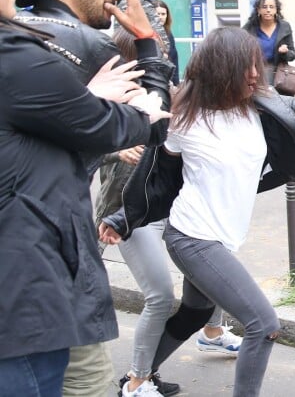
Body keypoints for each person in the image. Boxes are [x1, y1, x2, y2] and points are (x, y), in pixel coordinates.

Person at [100, 27, 295, 396]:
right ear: (221, 70)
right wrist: (122, 218)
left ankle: (136, 382)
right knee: (263, 325)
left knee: (196, 313)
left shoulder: (260, 104)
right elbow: (157, 178)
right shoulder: (183, 118)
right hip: (193, 238)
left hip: (221, 236)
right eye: (246, 67)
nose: (255, 74)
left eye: (255, 66)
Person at [0, 0, 171, 397]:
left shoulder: (29, 35)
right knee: (85, 383)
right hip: (41, 270)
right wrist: (145, 34)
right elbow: (155, 112)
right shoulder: (75, 42)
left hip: (38, 260)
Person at [95, 27, 241, 397]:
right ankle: (137, 381)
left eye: (163, 49)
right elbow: (73, 142)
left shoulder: (170, 92)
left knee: (213, 268)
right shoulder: (109, 92)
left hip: (169, 207)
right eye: (154, 51)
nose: (163, 57)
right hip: (127, 213)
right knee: (159, 296)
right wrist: (115, 150)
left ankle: (211, 332)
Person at [242, 0, 295, 88]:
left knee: (278, 101)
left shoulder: (284, 27)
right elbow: (240, 53)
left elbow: (292, 56)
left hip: (279, 75)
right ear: (258, 9)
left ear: (276, 10)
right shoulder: (249, 28)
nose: (268, 10)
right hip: (256, 74)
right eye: (264, 7)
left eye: (271, 7)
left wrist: (285, 52)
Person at [151, 0, 180, 86]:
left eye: (163, 14)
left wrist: (176, 84)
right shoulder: (146, 34)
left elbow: (174, 59)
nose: (160, 17)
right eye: (157, 14)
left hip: (168, 80)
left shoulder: (169, 35)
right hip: (153, 80)